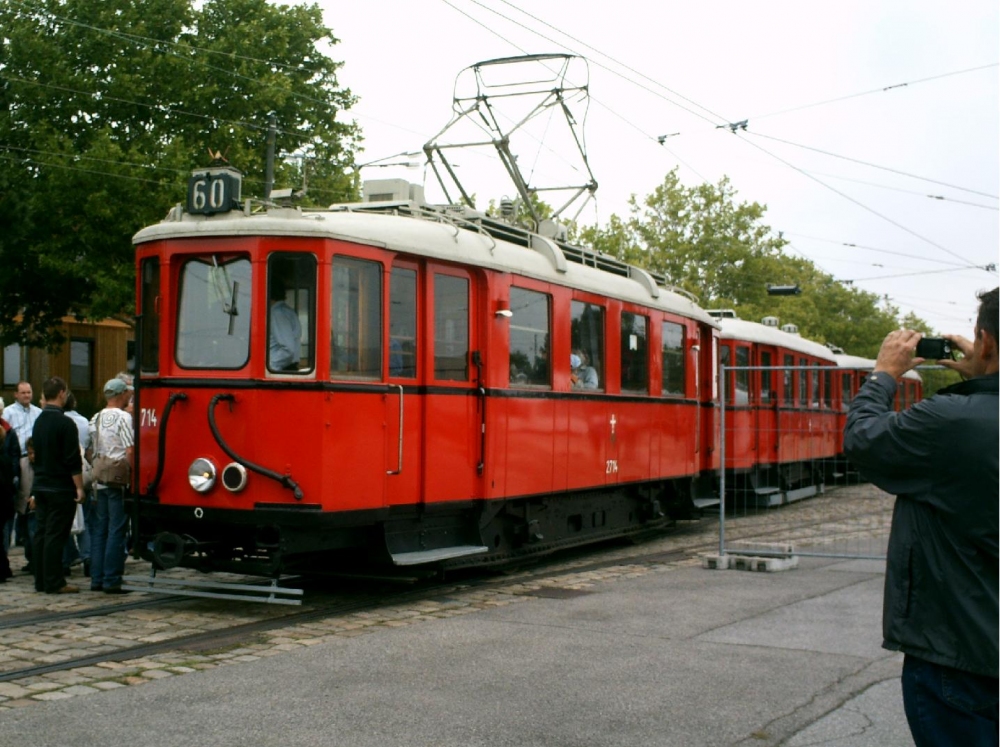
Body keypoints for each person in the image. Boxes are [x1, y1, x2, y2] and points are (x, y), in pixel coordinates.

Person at [843, 287, 998, 747]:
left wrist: (882, 377)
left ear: (984, 342)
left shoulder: (954, 421)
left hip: (964, 655)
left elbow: (865, 440)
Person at [29, 377, 85, 594]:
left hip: (41, 483)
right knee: (55, 535)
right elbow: (73, 460)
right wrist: (79, 487)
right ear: (62, 393)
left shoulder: (39, 420)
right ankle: (54, 581)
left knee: (42, 533)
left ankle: (41, 579)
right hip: (60, 486)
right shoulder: (65, 423)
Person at [87, 378, 134, 594]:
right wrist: (132, 475)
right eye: (127, 393)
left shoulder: (95, 417)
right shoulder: (123, 418)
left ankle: (96, 578)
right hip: (117, 480)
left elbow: (90, 450)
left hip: (100, 479)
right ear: (121, 394)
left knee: (100, 530)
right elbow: (130, 450)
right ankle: (112, 578)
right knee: (117, 529)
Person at [269, 284, 301, 371]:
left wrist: (270, 366)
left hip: (281, 368)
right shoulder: (286, 310)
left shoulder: (277, 313)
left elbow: (288, 350)